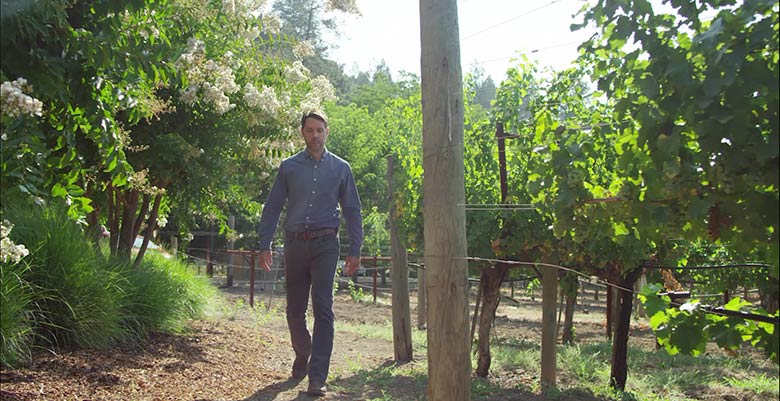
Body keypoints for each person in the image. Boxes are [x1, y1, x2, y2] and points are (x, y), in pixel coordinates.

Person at [257, 109, 363, 397]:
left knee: (323, 308)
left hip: (326, 244)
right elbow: (273, 207)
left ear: (327, 132)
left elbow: (353, 210)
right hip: (294, 245)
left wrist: (356, 249)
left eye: (320, 130)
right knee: (294, 310)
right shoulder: (288, 167)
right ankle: (302, 352)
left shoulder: (342, 168)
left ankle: (317, 377)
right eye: (310, 130)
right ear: (302, 133)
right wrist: (264, 243)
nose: (315, 135)